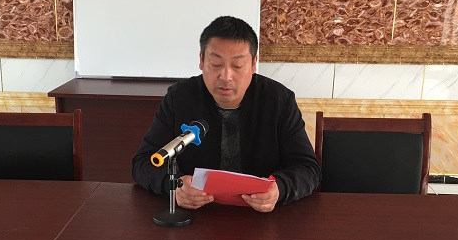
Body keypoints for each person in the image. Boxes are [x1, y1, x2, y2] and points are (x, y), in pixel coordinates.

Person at [132, 16, 320, 213]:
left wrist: (280, 189)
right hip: (198, 215)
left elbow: (308, 168)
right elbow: (143, 162)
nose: (226, 76)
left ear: (254, 64)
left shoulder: (279, 100)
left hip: (259, 216)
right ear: (201, 60)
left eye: (237, 66)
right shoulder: (179, 98)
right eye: (215, 63)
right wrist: (174, 186)